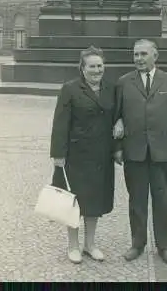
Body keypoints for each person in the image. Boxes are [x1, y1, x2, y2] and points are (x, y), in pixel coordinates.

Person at [113, 39, 167, 265]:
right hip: (134, 151)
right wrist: (117, 148)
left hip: (162, 151)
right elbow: (116, 118)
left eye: (143, 54)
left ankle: (163, 246)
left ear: (155, 56)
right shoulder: (123, 83)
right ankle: (137, 244)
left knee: (162, 199)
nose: (139, 59)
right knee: (137, 200)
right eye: (135, 55)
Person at [50, 46, 116, 264]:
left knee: (95, 201)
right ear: (82, 68)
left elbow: (117, 114)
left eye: (100, 66)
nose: (97, 70)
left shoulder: (110, 88)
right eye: (92, 66)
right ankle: (73, 246)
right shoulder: (70, 89)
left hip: (101, 156)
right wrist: (58, 155)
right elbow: (60, 124)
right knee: (74, 202)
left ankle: (90, 244)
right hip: (76, 156)